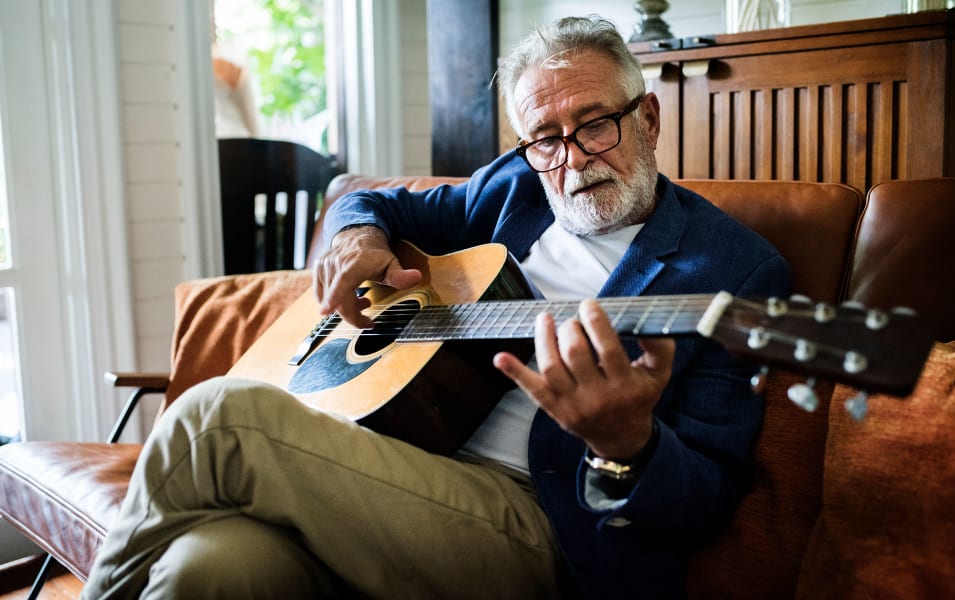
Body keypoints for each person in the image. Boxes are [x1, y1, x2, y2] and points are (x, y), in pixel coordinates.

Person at [82, 15, 790, 599]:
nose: (572, 159)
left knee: (217, 417)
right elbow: (375, 200)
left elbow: (708, 495)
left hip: (542, 524)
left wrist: (627, 446)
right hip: (398, 460)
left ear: (649, 118)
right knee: (206, 567)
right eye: (546, 137)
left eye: (596, 122)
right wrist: (357, 236)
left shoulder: (735, 270)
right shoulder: (515, 185)